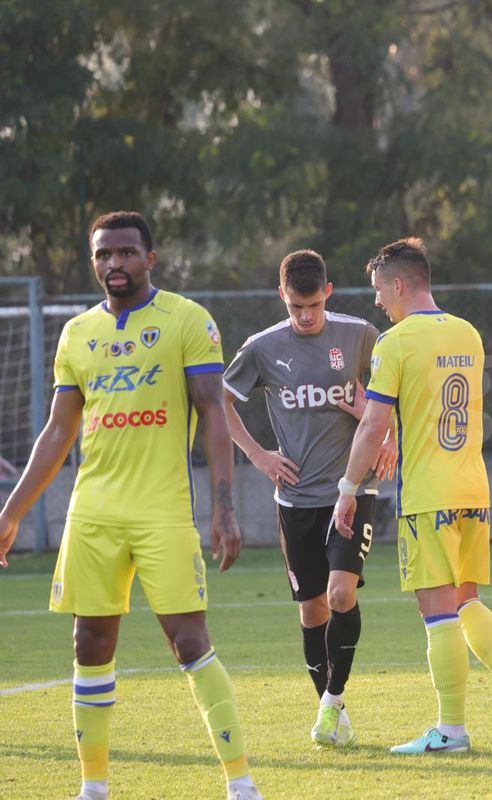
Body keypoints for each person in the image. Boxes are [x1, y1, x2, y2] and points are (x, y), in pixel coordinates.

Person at [0, 212, 264, 799]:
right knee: (89, 645)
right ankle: (93, 788)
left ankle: (242, 784)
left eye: (124, 252)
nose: (113, 263)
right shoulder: (77, 334)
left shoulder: (187, 319)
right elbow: (58, 431)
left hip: (163, 511)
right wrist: (12, 512)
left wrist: (223, 506)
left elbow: (213, 411)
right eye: (103, 254)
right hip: (93, 513)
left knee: (190, 642)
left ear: (150, 258)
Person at [331, 238, 492, 754]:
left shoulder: (395, 342)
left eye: (379, 290)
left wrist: (348, 489)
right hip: (474, 488)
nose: (377, 300)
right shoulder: (468, 332)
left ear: (399, 285)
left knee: (438, 611)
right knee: (467, 600)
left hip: (429, 493)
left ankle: (451, 730)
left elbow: (374, 424)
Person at [222, 249, 397, 748]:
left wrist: (389, 435)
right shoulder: (261, 347)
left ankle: (331, 702)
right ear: (282, 295)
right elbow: (219, 402)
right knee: (312, 610)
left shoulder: (360, 334)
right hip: (295, 500)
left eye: (314, 305)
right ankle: (332, 711)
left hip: (353, 489)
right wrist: (259, 456)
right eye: (296, 307)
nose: (305, 316)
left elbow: (395, 391)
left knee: (342, 594)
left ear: (328, 294)